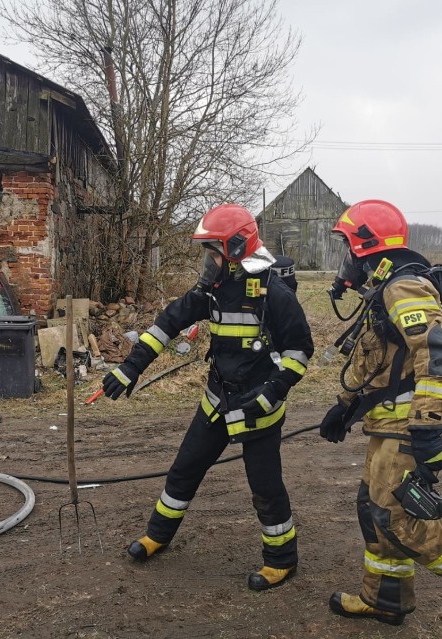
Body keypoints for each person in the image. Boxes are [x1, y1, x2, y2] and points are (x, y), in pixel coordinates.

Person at [318, 200, 442, 639]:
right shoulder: (384, 289)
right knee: (373, 512)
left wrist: (428, 426)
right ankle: (385, 599)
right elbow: (380, 363)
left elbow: (436, 354)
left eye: (348, 249)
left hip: (412, 427)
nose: (345, 261)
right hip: (388, 425)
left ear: (366, 247)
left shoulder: (403, 288)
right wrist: (345, 404)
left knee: (399, 520)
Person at [102, 203, 314, 591]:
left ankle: (282, 560)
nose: (207, 261)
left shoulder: (274, 294)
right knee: (184, 470)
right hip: (217, 401)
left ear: (234, 250)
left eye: (211, 252)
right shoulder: (212, 290)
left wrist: (270, 395)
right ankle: (158, 535)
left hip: (258, 410)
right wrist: (131, 366)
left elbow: (300, 351)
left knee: (265, 487)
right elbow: (168, 322)